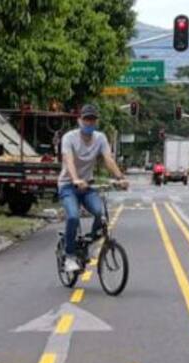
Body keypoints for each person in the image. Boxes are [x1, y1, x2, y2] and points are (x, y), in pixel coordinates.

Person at [58, 104, 127, 273]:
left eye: (92, 120)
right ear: (79, 120)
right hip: (68, 185)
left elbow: (108, 159)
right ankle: (69, 256)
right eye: (86, 119)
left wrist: (120, 178)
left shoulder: (100, 138)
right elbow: (69, 160)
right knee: (73, 217)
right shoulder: (69, 138)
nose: (89, 123)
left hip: (88, 186)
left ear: (96, 122)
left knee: (100, 213)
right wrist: (75, 179)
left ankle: (90, 244)